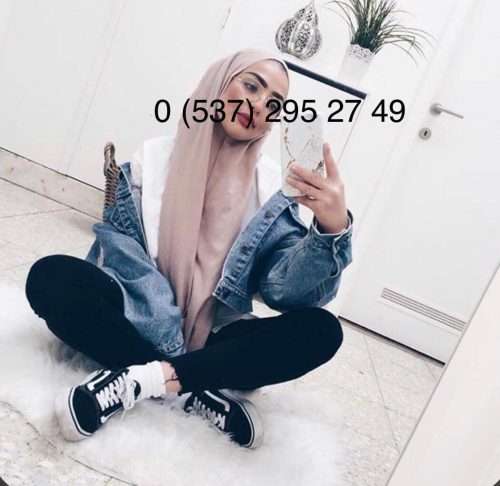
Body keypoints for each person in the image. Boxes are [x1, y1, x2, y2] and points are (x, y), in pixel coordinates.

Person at [25, 47, 354, 449]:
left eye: (274, 104)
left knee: (321, 331)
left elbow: (283, 292)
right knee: (50, 277)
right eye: (251, 86)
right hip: (137, 313)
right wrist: (172, 340)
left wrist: (329, 229)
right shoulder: (152, 158)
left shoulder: (272, 190)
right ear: (218, 84)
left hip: (215, 333)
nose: (258, 105)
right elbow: (123, 255)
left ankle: (144, 379)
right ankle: (192, 386)